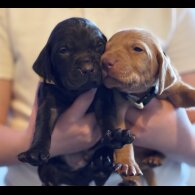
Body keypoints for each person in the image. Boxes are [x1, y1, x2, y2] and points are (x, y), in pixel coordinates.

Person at [0, 8, 195, 186]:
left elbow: (186, 104)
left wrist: (179, 139)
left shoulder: (176, 12)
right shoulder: (11, 12)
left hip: (159, 176)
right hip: (36, 177)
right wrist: (33, 144)